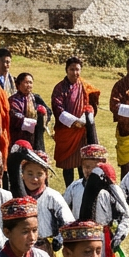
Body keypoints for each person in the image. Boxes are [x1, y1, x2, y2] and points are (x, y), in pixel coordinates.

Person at [64, 145, 129, 257]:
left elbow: (126, 215)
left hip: (102, 238)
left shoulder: (111, 189)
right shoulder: (74, 187)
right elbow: (64, 212)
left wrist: (119, 235)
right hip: (80, 237)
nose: (89, 171)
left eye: (94, 168)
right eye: (86, 167)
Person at [51, 58, 101, 186]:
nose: (75, 73)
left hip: (82, 132)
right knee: (67, 165)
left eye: (77, 69)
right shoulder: (59, 88)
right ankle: (69, 189)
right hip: (66, 132)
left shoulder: (85, 86)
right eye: (72, 69)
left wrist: (85, 118)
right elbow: (57, 109)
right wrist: (74, 122)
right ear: (66, 70)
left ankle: (83, 188)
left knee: (82, 161)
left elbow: (92, 105)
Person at [8, 73, 44, 148]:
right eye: (26, 82)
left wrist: (42, 115)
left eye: (31, 82)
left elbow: (46, 111)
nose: (29, 85)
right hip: (19, 135)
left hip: (34, 136)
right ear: (19, 84)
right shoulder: (13, 100)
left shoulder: (35, 98)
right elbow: (15, 116)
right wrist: (35, 124)